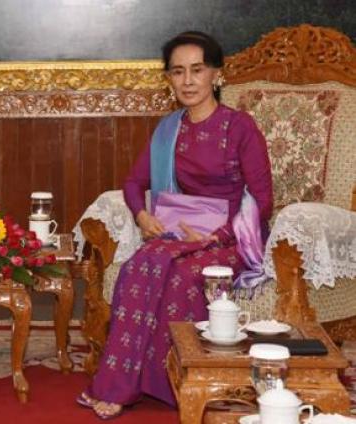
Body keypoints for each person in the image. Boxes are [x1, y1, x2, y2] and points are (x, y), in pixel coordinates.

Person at [77, 31, 273, 419]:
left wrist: (217, 235)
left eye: (197, 70)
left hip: (234, 238)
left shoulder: (240, 127)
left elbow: (262, 200)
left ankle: (174, 382)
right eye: (178, 71)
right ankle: (119, 384)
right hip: (180, 235)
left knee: (183, 276)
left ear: (216, 74)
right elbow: (134, 183)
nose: (187, 81)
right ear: (168, 78)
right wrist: (142, 216)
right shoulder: (169, 130)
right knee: (138, 266)